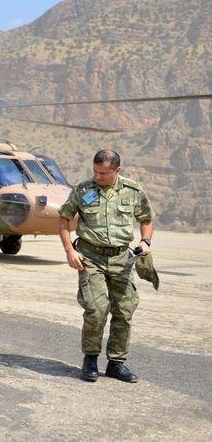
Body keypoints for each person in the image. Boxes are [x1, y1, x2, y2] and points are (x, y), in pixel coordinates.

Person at [58, 149, 153, 383]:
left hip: (122, 259)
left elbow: (146, 219)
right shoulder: (83, 190)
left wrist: (145, 241)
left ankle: (116, 364)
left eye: (103, 173)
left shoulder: (132, 190)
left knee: (124, 310)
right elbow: (63, 219)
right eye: (95, 171)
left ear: (117, 170)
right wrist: (69, 250)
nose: (97, 177)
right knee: (96, 309)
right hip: (90, 258)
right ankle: (90, 359)